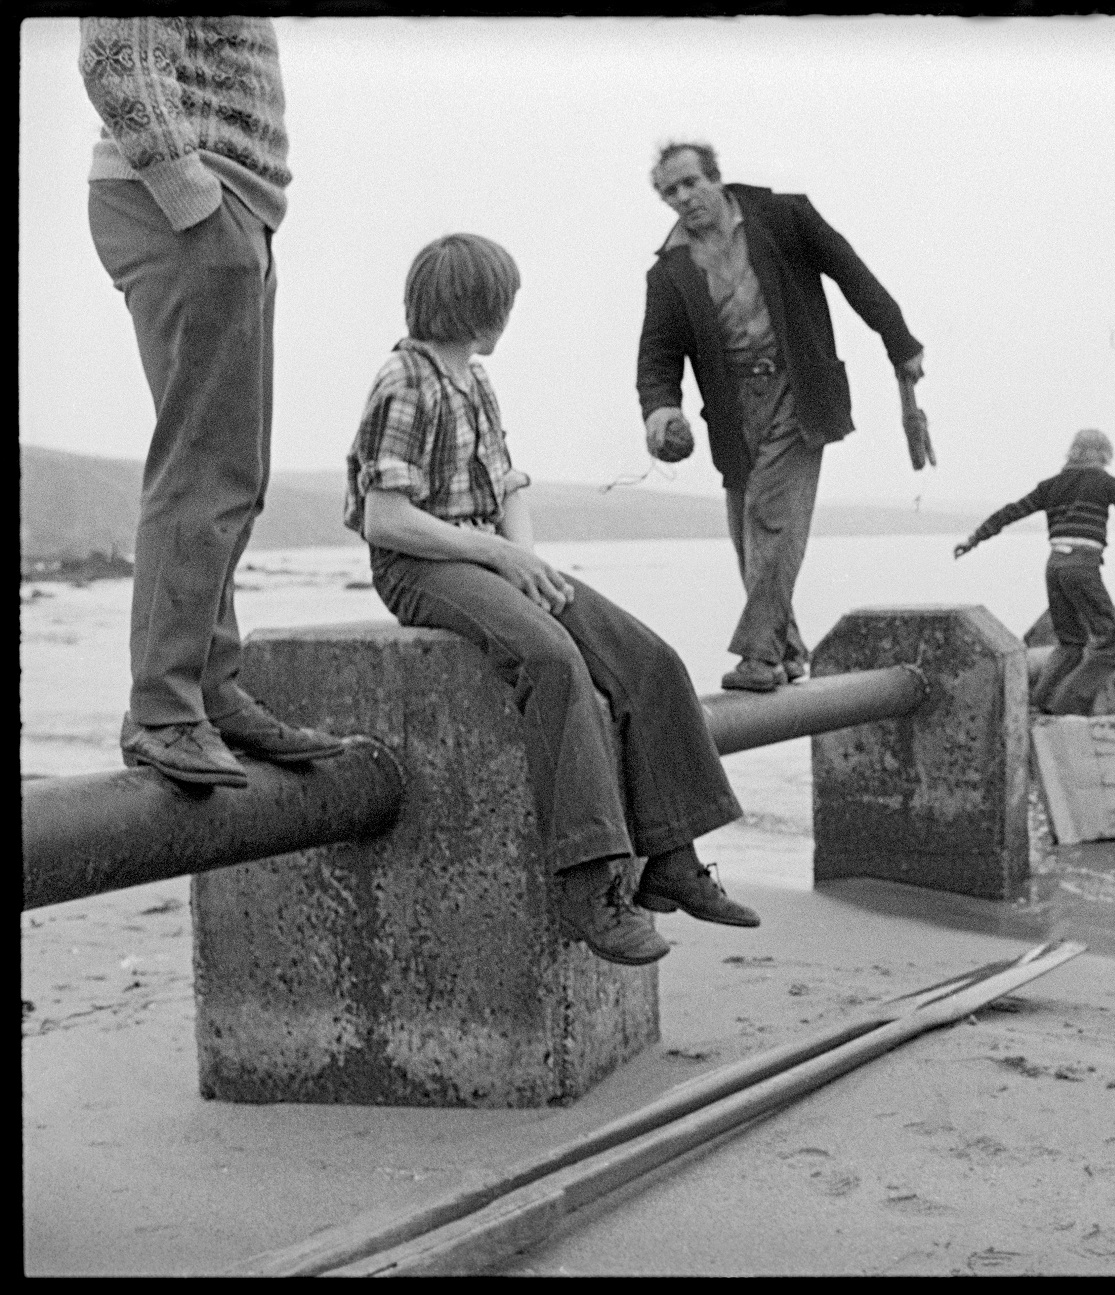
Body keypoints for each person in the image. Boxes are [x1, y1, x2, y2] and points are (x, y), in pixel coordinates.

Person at [347, 234, 758, 968]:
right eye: (503, 302)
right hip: (420, 565)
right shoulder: (403, 379)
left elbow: (507, 489)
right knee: (553, 660)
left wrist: (526, 565)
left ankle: (672, 855)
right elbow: (386, 518)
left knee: (646, 656)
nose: (508, 315)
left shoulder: (474, 381)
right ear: (479, 307)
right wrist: (499, 557)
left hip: (485, 555)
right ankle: (588, 882)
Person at [81, 16, 346, 787]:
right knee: (204, 466)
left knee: (234, 471)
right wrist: (194, 197)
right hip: (188, 202)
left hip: (233, 209)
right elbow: (112, 56)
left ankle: (208, 687)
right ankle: (164, 710)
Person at [636, 141, 925, 693]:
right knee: (747, 534)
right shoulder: (669, 271)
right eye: (671, 191)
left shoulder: (785, 216)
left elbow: (853, 275)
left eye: (691, 182)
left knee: (772, 515)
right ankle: (790, 651)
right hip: (732, 407)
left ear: (715, 178)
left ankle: (758, 658)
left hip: (801, 388)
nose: (684, 197)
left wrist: (900, 342)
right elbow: (657, 357)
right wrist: (661, 413)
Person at [954, 429, 1115, 715]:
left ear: (1072, 452)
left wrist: (974, 538)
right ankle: (1065, 707)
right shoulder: (1106, 483)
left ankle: (1038, 703)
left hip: (1054, 567)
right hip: (1082, 565)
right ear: (1104, 454)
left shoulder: (1051, 486)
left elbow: (1010, 512)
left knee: (1070, 644)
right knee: (1108, 645)